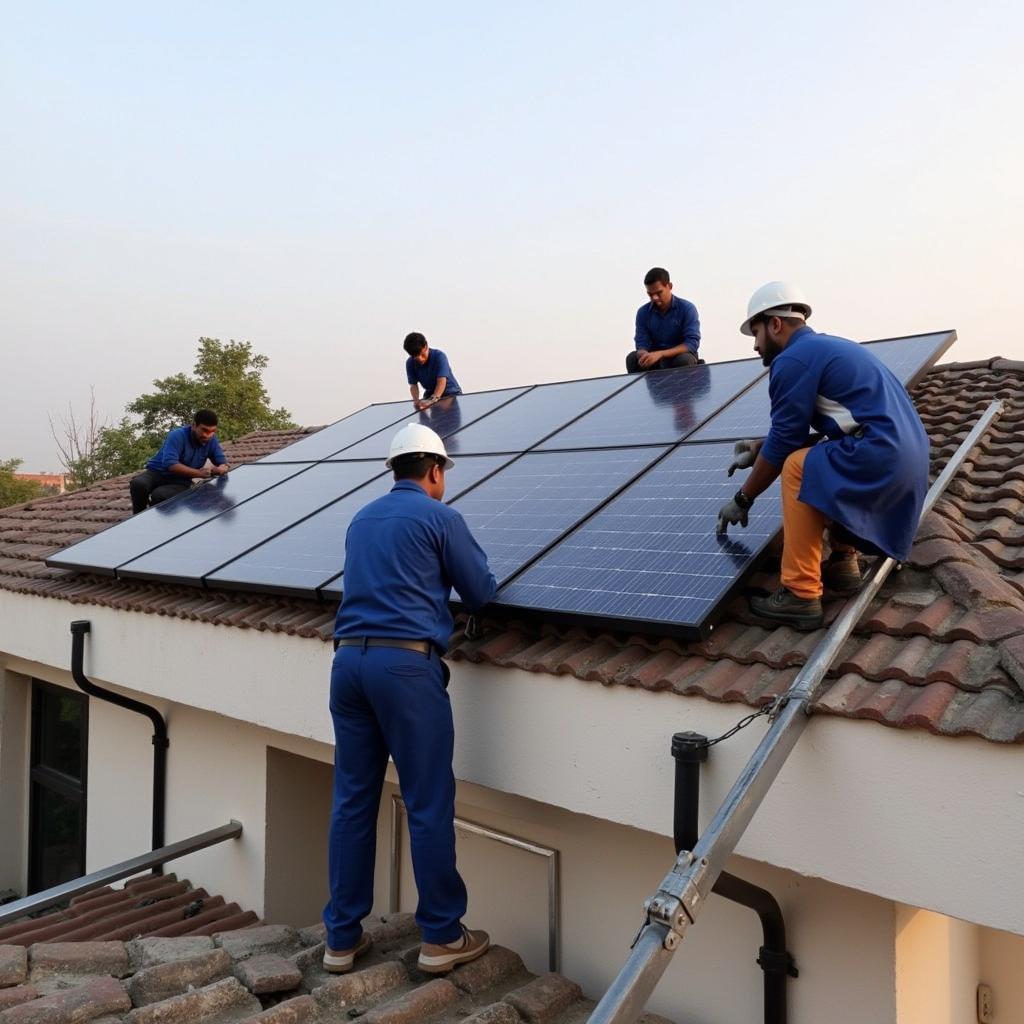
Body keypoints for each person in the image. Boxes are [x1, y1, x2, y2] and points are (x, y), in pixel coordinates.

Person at [323, 423, 496, 976]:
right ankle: (442, 936)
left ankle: (341, 940)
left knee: (352, 800)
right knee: (426, 801)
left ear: (393, 471)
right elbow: (481, 591)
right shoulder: (440, 517)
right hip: (405, 667)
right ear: (436, 471)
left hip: (348, 663)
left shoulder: (361, 518)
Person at [716, 282, 929, 631]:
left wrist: (743, 498)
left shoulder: (792, 360)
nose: (755, 346)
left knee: (798, 465)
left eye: (755, 332)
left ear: (775, 324)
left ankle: (800, 593)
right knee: (824, 456)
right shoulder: (829, 347)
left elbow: (788, 442)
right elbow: (837, 426)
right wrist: (759, 448)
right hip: (908, 460)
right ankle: (844, 562)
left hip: (879, 456)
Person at [128, 409, 228, 514]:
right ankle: (139, 516)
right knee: (138, 484)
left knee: (160, 495)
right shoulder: (177, 435)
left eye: (212, 431)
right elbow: (171, 464)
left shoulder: (211, 441)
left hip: (181, 481)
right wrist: (199, 473)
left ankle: (154, 519)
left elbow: (222, 462)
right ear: (194, 425)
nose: (207, 435)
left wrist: (221, 468)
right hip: (156, 473)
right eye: (204, 430)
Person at [627, 267, 701, 373]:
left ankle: (683, 389)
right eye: (650, 294)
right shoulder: (643, 313)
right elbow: (641, 343)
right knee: (632, 358)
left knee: (684, 360)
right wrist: (643, 354)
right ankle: (640, 389)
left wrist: (661, 354)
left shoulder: (687, 308)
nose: (655, 298)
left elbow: (691, 343)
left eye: (658, 293)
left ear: (669, 286)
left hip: (678, 358)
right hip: (654, 361)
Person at [404, 332, 462, 410]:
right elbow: (413, 385)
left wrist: (433, 399)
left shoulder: (439, 356)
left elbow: (441, 380)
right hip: (430, 397)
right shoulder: (410, 363)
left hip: (450, 395)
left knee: (448, 419)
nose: (421, 359)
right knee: (426, 419)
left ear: (426, 346)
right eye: (416, 358)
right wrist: (416, 401)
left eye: (422, 355)